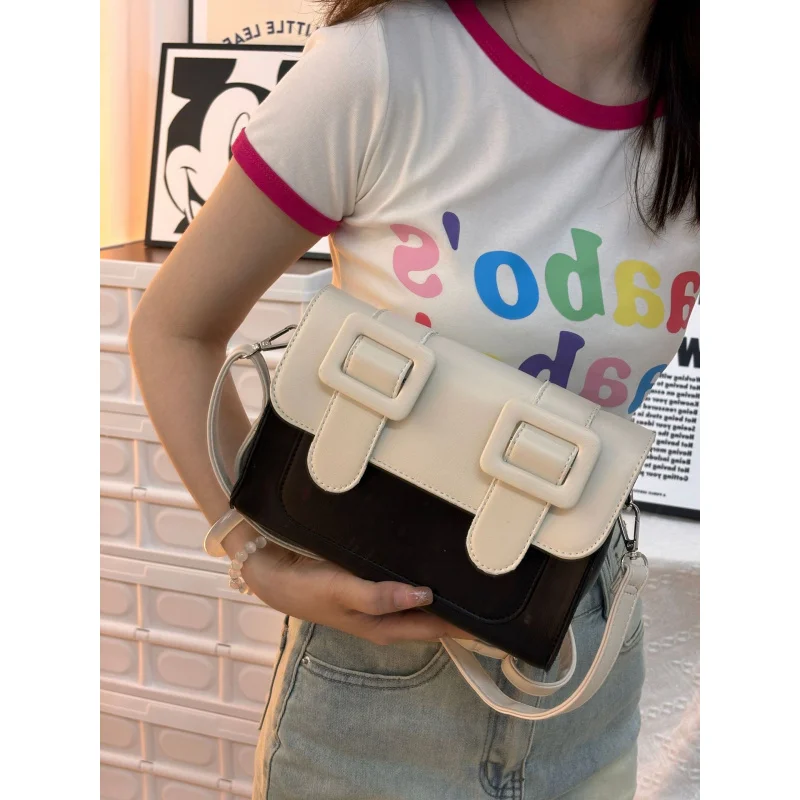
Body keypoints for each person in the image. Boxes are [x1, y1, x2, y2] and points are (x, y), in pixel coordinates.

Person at [129, 0, 699, 797]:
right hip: (376, 682)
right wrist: (253, 554)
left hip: (585, 665)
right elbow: (174, 330)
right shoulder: (383, 66)